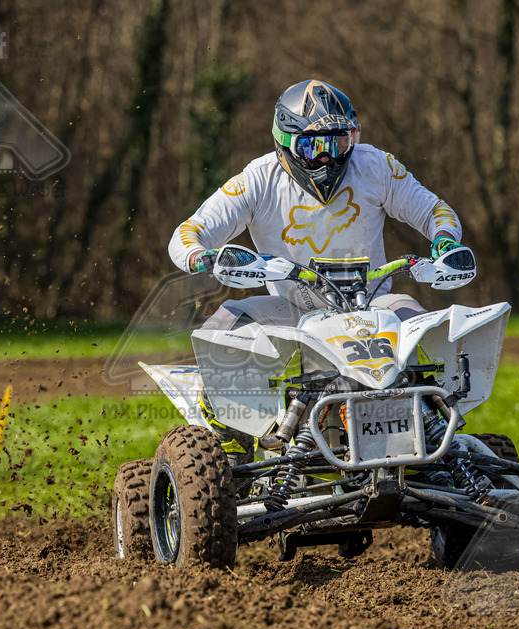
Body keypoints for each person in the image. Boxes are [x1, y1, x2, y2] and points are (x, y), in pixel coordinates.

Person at [167, 79, 472, 462]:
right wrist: (202, 257)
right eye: (313, 146)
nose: (328, 158)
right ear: (284, 142)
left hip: (373, 302)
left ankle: (443, 432)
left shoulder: (375, 164)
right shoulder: (258, 179)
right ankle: (230, 441)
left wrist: (444, 240)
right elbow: (188, 232)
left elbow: (435, 211)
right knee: (219, 330)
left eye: (339, 143)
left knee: (426, 329)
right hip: (295, 308)